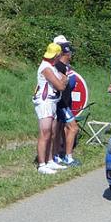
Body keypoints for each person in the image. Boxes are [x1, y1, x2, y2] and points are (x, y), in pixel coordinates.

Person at [36, 43, 68, 175]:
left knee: (53, 133)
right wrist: (62, 82)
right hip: (45, 102)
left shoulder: (52, 67)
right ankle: (41, 163)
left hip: (53, 102)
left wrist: (63, 81)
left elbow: (64, 80)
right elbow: (61, 85)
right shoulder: (46, 68)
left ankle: (50, 160)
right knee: (45, 133)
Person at [53, 45, 81, 167]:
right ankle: (68, 157)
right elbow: (60, 85)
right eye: (71, 53)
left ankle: (57, 154)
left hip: (65, 102)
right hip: (61, 103)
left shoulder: (65, 67)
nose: (72, 55)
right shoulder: (59, 67)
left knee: (59, 130)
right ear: (67, 54)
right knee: (73, 128)